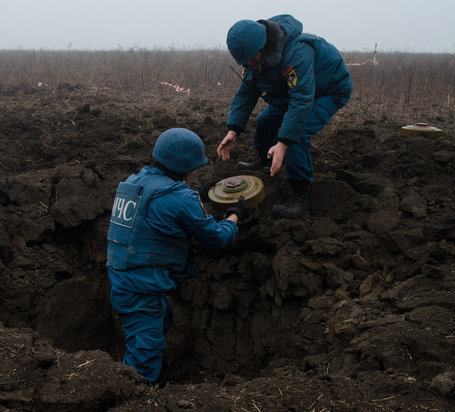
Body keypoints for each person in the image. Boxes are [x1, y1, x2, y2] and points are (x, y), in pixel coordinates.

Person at [106, 128, 254, 384]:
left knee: (161, 317)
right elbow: (215, 238)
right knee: (145, 348)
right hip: (141, 284)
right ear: (185, 165)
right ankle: (134, 390)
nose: (195, 172)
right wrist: (235, 216)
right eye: (194, 167)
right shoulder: (178, 197)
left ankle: (157, 375)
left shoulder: (135, 181)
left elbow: (163, 206)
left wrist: (196, 193)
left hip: (122, 274)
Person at [217, 14, 353, 218]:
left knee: (296, 136)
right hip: (295, 92)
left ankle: (300, 195)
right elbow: (246, 93)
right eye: (243, 62)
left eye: (250, 59)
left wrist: (283, 143)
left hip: (328, 90)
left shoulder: (297, 52)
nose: (248, 65)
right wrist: (233, 130)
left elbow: (301, 100)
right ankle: (264, 157)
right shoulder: (254, 60)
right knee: (264, 121)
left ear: (261, 47)